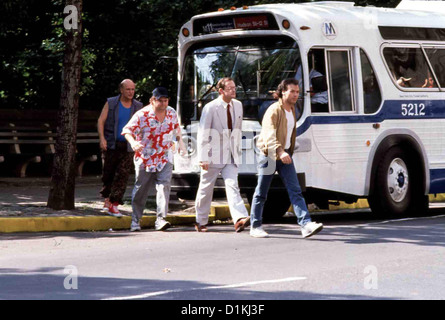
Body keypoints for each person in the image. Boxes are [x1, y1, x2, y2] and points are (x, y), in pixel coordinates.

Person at [250, 78, 323, 238]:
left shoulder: (292, 110)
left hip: (285, 156)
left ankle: (305, 224)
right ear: (283, 92)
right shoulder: (274, 110)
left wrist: (288, 151)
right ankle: (255, 226)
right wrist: (280, 151)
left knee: (295, 191)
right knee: (262, 192)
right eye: (292, 91)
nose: (296, 95)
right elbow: (269, 134)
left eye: (297, 92)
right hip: (269, 155)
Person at [123, 87, 186, 232]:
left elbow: (176, 128)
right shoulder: (142, 114)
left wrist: (180, 143)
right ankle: (135, 220)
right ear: (152, 100)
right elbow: (127, 130)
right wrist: (133, 143)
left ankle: (161, 219)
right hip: (145, 157)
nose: (163, 104)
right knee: (141, 189)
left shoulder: (171, 112)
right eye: (160, 101)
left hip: (165, 156)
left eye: (166, 100)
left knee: (164, 186)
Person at [194, 77, 250, 232]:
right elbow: (203, 133)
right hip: (212, 154)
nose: (234, 90)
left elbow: (237, 129)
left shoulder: (238, 105)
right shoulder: (211, 107)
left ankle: (239, 218)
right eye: (230, 88)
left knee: (233, 185)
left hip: (231, 154)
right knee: (206, 188)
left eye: (235, 87)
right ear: (221, 91)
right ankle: (200, 221)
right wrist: (203, 157)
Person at [97, 79, 143, 217]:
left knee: (122, 175)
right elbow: (101, 121)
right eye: (128, 89)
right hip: (111, 143)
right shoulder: (111, 103)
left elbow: (142, 125)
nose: (131, 92)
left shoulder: (138, 106)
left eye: (133, 89)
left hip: (128, 145)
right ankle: (107, 200)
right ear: (121, 90)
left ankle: (114, 203)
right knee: (108, 173)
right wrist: (102, 138)